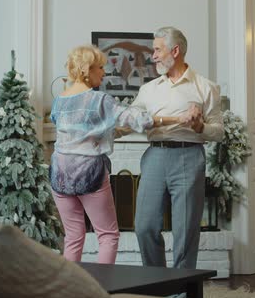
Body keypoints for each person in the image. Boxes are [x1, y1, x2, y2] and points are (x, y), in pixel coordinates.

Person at [50, 45, 186, 264]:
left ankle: (69, 290)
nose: (104, 73)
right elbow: (136, 118)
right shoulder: (98, 100)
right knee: (108, 235)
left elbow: (74, 130)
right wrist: (177, 119)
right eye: (100, 67)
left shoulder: (58, 101)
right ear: (87, 69)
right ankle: (103, 292)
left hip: (59, 175)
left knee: (73, 237)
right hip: (89, 173)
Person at [133, 27, 224, 270]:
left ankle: (182, 293)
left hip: (188, 155)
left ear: (175, 50)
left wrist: (200, 126)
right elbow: (131, 119)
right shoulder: (148, 89)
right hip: (154, 156)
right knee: (144, 226)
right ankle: (156, 284)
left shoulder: (205, 87)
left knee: (185, 231)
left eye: (157, 50)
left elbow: (219, 131)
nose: (153, 55)